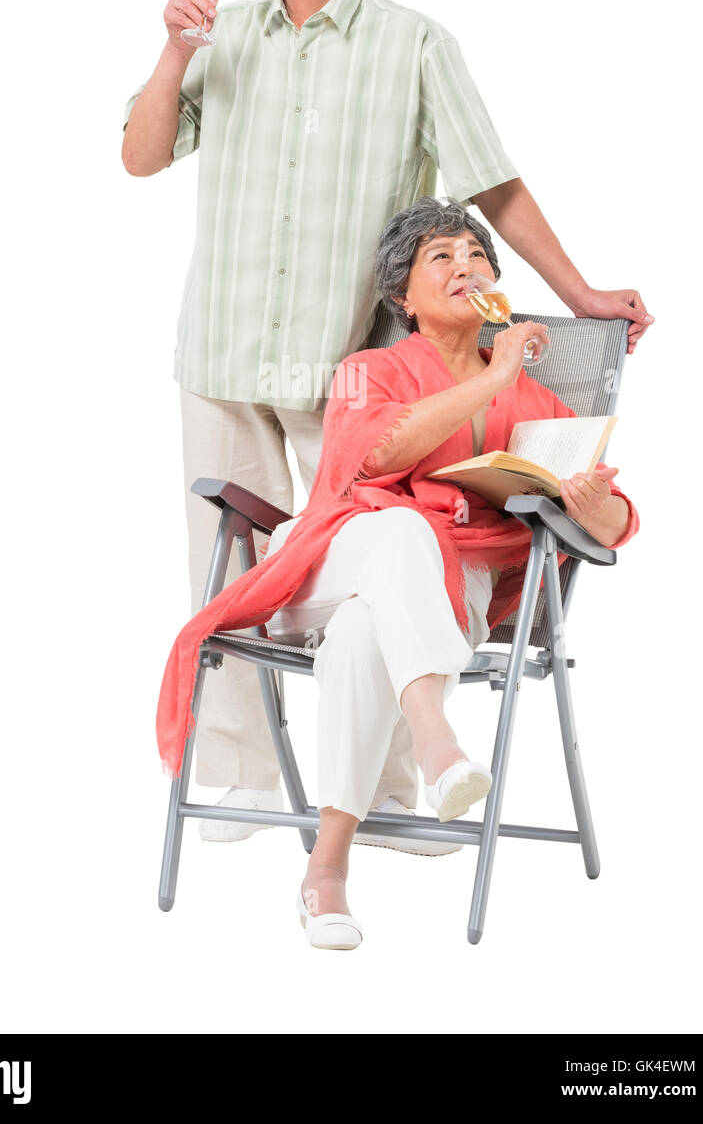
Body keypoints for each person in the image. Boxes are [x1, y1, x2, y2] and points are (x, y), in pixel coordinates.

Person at [124, 0, 652, 851]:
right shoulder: (221, 35)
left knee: (377, 557)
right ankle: (235, 773)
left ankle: (396, 785)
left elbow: (489, 181)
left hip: (348, 371)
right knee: (227, 568)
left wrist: (576, 289)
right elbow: (141, 155)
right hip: (222, 352)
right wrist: (172, 50)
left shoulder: (414, 45)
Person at [154, 199, 640, 949]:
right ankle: (436, 737)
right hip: (329, 561)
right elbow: (376, 456)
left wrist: (590, 502)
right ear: (401, 299)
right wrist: (491, 373)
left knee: (361, 636)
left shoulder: (534, 402)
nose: (463, 265)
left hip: (450, 593)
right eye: (439, 258)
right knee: (402, 526)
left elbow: (615, 526)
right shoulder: (369, 370)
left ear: (493, 282)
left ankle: (326, 873)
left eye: (475, 254)